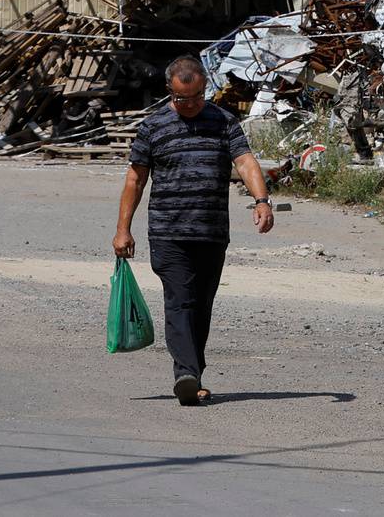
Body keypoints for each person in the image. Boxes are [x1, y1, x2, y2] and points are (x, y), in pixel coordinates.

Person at [113, 55, 274, 405]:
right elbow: (135, 179)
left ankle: (193, 372)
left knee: (201, 305)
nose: (190, 105)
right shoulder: (153, 127)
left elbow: (244, 161)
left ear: (205, 89)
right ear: (169, 92)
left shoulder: (223, 121)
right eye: (182, 98)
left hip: (211, 232)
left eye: (197, 96)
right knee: (180, 300)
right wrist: (122, 229)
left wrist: (262, 200)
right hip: (168, 232)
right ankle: (185, 373)